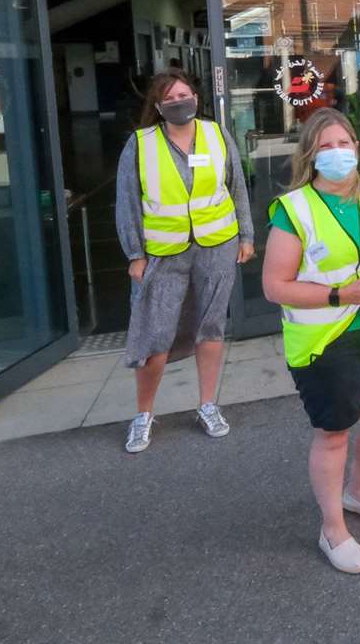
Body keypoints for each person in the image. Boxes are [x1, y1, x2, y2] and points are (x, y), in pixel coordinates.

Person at [260, 108, 360, 575]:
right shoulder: (294, 209)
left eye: (343, 143)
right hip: (324, 336)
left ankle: (358, 492)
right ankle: (332, 529)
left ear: (357, 148)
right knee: (335, 431)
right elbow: (274, 286)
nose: (337, 153)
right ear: (310, 154)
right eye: (325, 146)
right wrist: (342, 293)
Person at [116, 70, 254, 454]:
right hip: (164, 252)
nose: (180, 101)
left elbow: (236, 184)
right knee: (154, 335)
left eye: (185, 94)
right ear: (158, 106)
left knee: (210, 327)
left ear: (195, 97)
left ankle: (208, 404)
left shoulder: (215, 133)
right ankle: (143, 415)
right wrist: (135, 255)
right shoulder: (140, 144)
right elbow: (127, 202)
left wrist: (246, 235)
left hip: (217, 246)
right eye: (170, 97)